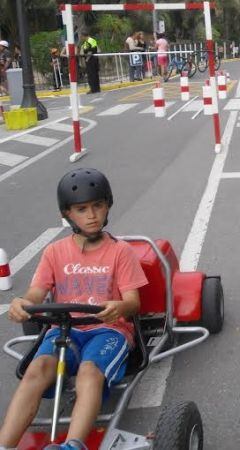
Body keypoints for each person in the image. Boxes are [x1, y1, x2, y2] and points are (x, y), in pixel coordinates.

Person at [0, 168, 148, 450]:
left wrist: (119, 307)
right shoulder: (55, 252)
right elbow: (35, 293)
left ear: (107, 207)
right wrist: (23, 304)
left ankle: (73, 445)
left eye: (98, 206)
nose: (91, 215)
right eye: (82, 209)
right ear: (67, 214)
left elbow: (133, 302)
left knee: (89, 372)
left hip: (108, 330)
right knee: (37, 369)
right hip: (65, 328)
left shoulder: (121, 252)